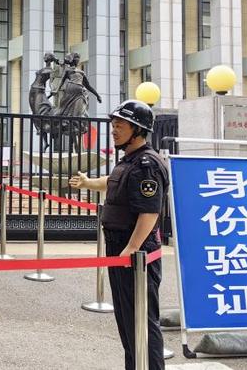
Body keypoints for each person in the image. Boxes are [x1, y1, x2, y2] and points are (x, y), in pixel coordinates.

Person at [69, 100, 168, 370]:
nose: (114, 130)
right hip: (122, 250)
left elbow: (149, 211)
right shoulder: (129, 161)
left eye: (120, 125)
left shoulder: (147, 164)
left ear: (137, 129)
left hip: (136, 254)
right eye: (113, 125)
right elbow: (113, 180)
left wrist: (132, 247)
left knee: (141, 321)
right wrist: (89, 182)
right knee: (127, 320)